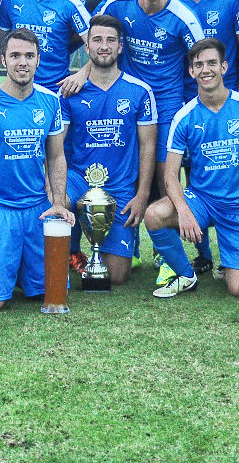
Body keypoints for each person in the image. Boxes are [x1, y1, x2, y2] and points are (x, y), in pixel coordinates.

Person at [79, 0, 204, 284]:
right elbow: (98, 38)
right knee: (128, 173)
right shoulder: (117, 4)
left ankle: (167, 256)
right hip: (126, 102)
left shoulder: (183, 17)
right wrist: (83, 71)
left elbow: (202, 60)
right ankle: (122, 246)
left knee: (165, 178)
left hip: (165, 107)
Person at [0, 28, 75, 311]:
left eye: (29, 56)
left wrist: (58, 202)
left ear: (38, 60)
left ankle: (18, 267)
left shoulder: (50, 101)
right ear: (3, 60)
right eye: (16, 55)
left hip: (36, 207)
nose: (23, 62)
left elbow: (56, 156)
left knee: (51, 293)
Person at [144, 38, 239, 298]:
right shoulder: (184, 116)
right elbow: (170, 175)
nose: (206, 70)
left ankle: (237, 261)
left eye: (212, 63)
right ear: (191, 71)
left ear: (224, 67)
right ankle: (185, 275)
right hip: (201, 200)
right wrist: (184, 211)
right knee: (155, 214)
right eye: (199, 65)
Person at [169, 0, 239, 273]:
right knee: (194, 173)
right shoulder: (171, 0)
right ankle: (202, 252)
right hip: (190, 102)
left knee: (233, 168)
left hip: (229, 100)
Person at [60, 15, 157, 285]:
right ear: (87, 46)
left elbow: (148, 146)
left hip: (119, 185)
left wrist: (142, 195)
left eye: (111, 40)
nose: (104, 46)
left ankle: (97, 252)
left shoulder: (140, 92)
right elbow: (56, 146)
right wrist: (55, 190)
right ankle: (69, 250)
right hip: (78, 179)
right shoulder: (70, 91)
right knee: (56, 202)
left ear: (120, 47)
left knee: (117, 275)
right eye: (97, 40)